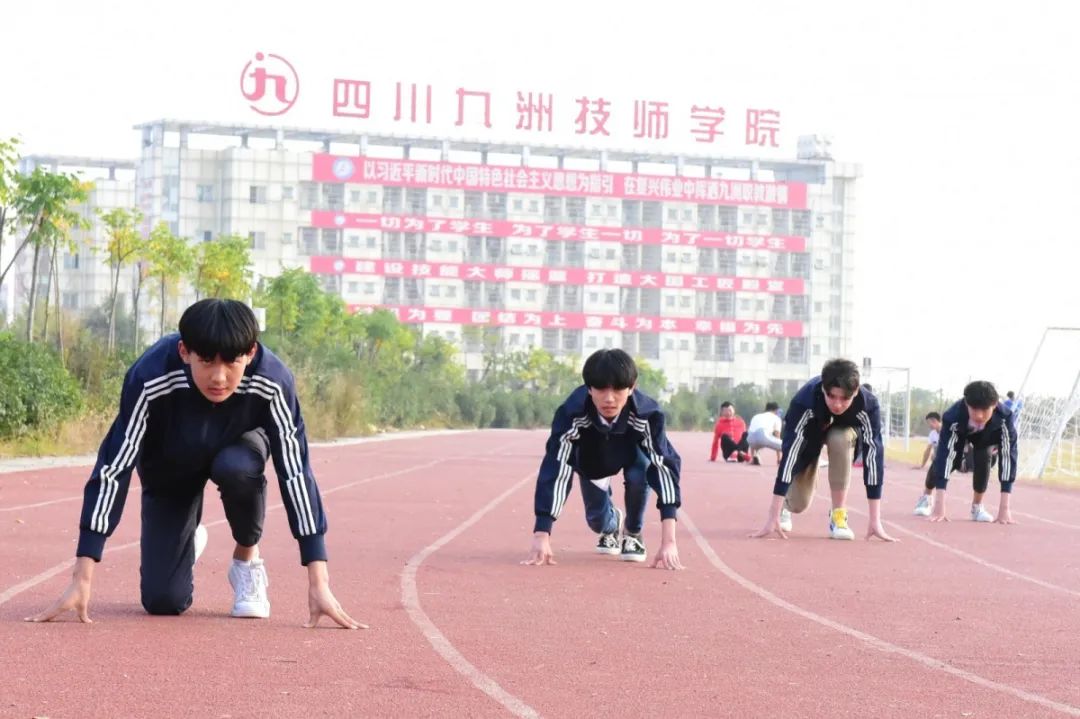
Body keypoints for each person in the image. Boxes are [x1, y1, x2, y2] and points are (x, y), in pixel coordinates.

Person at [27, 299, 361, 628]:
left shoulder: (273, 380)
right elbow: (115, 465)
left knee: (238, 468)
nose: (219, 377)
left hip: (238, 449)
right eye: (206, 362)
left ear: (251, 353)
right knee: (163, 602)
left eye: (231, 362)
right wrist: (82, 575)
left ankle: (246, 561)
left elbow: (296, 472)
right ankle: (185, 539)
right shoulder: (150, 375)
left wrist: (319, 581)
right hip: (170, 460)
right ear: (185, 352)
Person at [522, 348, 684, 569]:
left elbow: (664, 467)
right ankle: (611, 524)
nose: (609, 399)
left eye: (618, 389)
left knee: (642, 471)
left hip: (632, 454)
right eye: (600, 389)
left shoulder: (647, 414)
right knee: (597, 521)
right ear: (589, 388)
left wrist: (669, 542)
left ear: (632, 387)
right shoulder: (572, 413)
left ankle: (633, 533)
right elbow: (557, 468)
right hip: (592, 460)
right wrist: (542, 535)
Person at [750, 359, 896, 542]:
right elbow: (791, 454)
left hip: (843, 434)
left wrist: (875, 520)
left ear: (856, 391)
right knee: (798, 504)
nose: (837, 405)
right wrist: (773, 514)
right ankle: (785, 508)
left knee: (839, 438)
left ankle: (838, 517)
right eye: (831, 396)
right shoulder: (804, 401)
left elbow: (873, 457)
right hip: (809, 437)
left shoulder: (868, 405)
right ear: (823, 389)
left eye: (845, 398)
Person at [926, 381, 1018, 524]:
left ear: (994, 406)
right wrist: (939, 507)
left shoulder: (1005, 417)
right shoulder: (952, 416)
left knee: (984, 456)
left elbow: (1008, 457)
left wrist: (1004, 509)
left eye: (984, 410)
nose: (979, 416)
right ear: (966, 404)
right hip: (960, 437)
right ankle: (926, 496)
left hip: (985, 440)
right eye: (974, 409)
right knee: (943, 460)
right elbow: (945, 455)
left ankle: (977, 507)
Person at [911, 412, 943, 515]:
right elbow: (928, 450)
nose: (929, 426)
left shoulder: (948, 431)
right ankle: (926, 500)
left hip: (952, 458)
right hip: (939, 461)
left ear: (935, 421)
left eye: (929, 423)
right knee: (931, 475)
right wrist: (922, 465)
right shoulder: (933, 434)